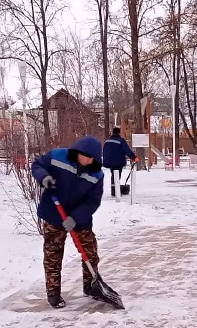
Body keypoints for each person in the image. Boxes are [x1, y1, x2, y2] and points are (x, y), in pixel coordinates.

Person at [31, 136, 105, 308]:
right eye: (88, 156)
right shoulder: (57, 156)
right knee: (53, 255)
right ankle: (53, 293)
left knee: (90, 252)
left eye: (94, 158)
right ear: (79, 152)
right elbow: (37, 165)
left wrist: (75, 218)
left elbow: (93, 201)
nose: (90, 161)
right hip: (54, 213)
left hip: (80, 217)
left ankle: (91, 287)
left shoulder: (96, 174)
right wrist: (44, 177)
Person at [102, 127, 138, 197]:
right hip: (118, 161)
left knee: (113, 175)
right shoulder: (121, 141)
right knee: (117, 175)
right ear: (119, 133)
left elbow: (104, 151)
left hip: (109, 162)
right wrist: (134, 158)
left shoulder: (107, 141)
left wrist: (105, 160)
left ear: (113, 132)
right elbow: (127, 150)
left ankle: (113, 190)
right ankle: (116, 191)